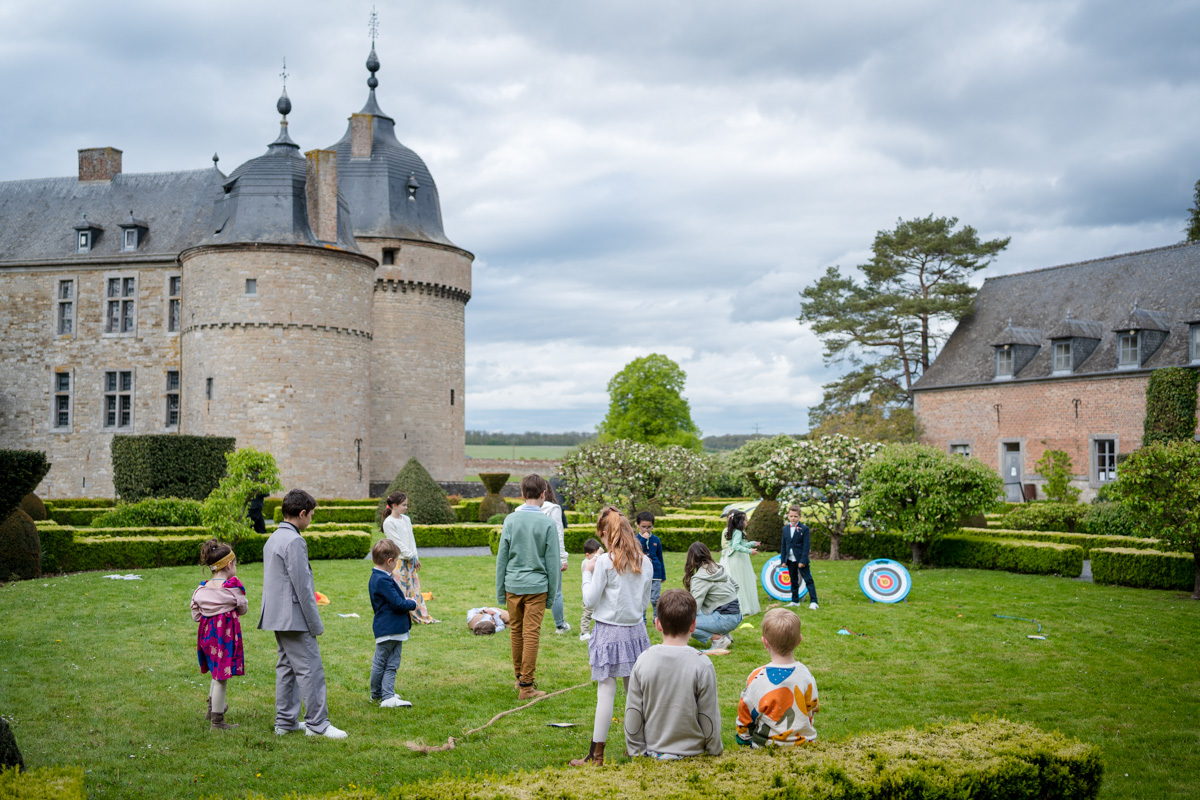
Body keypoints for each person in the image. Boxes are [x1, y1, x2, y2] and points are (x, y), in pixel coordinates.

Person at [569, 508, 653, 767]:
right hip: (635, 629)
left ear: (606, 534)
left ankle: (596, 755)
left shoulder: (605, 561)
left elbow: (590, 600)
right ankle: (637, 747)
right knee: (634, 692)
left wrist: (586, 572)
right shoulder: (645, 561)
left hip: (608, 628)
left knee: (606, 691)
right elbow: (644, 603)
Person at [259, 489, 346, 738]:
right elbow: (303, 587)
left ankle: (285, 722)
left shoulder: (273, 537)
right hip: (294, 617)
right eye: (312, 515)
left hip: (277, 615)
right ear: (302, 513)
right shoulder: (295, 541)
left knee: (287, 668)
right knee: (311, 669)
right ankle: (318, 725)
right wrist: (314, 623)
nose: (311, 520)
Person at [624, 589, 722, 760]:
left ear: (657, 624)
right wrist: (714, 751)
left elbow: (633, 712)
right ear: (693, 625)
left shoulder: (643, 660)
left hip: (653, 755)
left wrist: (637, 754)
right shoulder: (702, 664)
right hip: (694, 756)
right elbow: (708, 714)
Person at [495, 474, 562, 700]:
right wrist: (551, 596)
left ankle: (519, 678)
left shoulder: (510, 520)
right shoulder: (547, 523)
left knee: (516, 631)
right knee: (531, 634)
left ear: (522, 494)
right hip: (537, 587)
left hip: (513, 585)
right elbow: (553, 563)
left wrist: (499, 591)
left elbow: (501, 559)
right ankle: (526, 686)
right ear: (544, 494)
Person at [736, 608, 819, 747]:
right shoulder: (806, 674)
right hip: (805, 746)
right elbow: (813, 707)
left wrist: (743, 738)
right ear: (799, 640)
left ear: (765, 642)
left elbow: (746, 712)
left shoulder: (757, 677)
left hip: (767, 748)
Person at [191, 539, 248, 731]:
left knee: (215, 672)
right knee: (221, 677)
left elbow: (195, 614)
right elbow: (243, 609)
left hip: (207, 636)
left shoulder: (200, 590)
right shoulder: (232, 589)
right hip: (224, 636)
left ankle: (211, 708)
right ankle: (217, 721)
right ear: (229, 564)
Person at [368, 539, 418, 708]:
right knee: (390, 663)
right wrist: (412, 603)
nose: (397, 564)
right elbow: (397, 604)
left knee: (381, 661)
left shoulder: (377, 577)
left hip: (387, 628)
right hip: (391, 628)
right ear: (389, 561)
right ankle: (387, 696)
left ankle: (378, 693)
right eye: (396, 561)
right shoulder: (383, 580)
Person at [382, 491, 438, 624]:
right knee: (399, 591)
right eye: (403, 505)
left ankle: (420, 616)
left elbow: (411, 540)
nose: (406, 507)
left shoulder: (406, 519)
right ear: (394, 506)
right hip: (397, 562)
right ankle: (400, 617)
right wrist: (411, 556)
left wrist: (415, 557)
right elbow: (396, 543)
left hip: (410, 560)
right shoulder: (389, 522)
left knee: (414, 590)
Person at [683, 542, 743, 651]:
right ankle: (724, 632)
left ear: (690, 559)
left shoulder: (700, 577)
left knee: (684, 624)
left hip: (726, 619)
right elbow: (736, 586)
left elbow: (694, 607)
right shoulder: (718, 568)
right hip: (737, 615)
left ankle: (719, 639)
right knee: (700, 613)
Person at [539, 478, 571, 635]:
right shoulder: (553, 509)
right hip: (550, 556)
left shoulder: (520, 510)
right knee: (556, 592)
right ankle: (560, 626)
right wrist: (563, 558)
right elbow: (559, 534)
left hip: (531, 555)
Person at [719, 510, 760, 617]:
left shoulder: (736, 531)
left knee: (741, 581)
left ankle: (742, 606)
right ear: (740, 522)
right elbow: (736, 546)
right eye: (745, 520)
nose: (747, 522)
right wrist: (750, 551)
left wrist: (751, 544)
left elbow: (741, 544)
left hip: (738, 558)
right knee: (740, 581)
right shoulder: (737, 532)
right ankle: (742, 607)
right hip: (737, 559)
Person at [781, 505, 819, 610]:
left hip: (801, 559)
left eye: (795, 516)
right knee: (793, 580)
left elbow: (806, 546)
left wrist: (803, 560)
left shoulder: (804, 529)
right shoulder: (785, 529)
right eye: (791, 516)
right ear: (788, 516)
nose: (793, 518)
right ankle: (795, 600)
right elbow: (784, 545)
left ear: (800, 517)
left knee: (808, 579)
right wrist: (783, 560)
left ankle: (814, 601)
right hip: (790, 559)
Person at [635, 511, 665, 623]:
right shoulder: (635, 539)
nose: (646, 530)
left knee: (655, 598)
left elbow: (660, 558)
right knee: (641, 597)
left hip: (655, 573)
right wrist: (643, 539)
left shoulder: (656, 540)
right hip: (641, 572)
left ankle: (657, 618)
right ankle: (641, 619)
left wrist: (663, 574)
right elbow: (636, 550)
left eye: (649, 527)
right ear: (637, 525)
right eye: (643, 527)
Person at [578, 538, 603, 642]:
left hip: (598, 591)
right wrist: (598, 555)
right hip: (589, 591)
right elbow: (591, 564)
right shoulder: (586, 562)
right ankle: (584, 632)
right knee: (587, 612)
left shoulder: (598, 560)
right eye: (595, 554)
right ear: (587, 555)